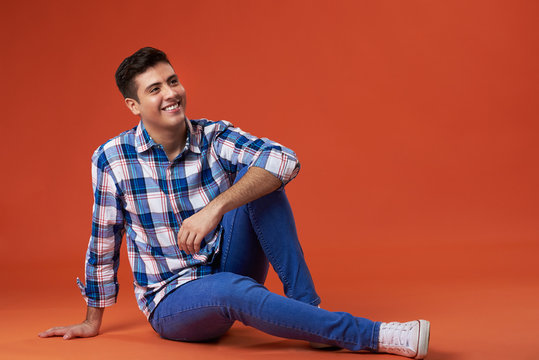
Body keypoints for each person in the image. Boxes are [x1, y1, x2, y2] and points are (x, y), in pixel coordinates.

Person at [38, 47, 430, 359]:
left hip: (226, 261)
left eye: (172, 81)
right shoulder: (112, 159)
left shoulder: (213, 135)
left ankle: (307, 310)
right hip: (173, 301)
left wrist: (214, 209)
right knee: (231, 289)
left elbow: (284, 160)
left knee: (262, 180)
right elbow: (103, 240)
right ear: (134, 106)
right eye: (155, 89)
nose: (171, 93)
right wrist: (92, 319)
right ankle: (371, 335)